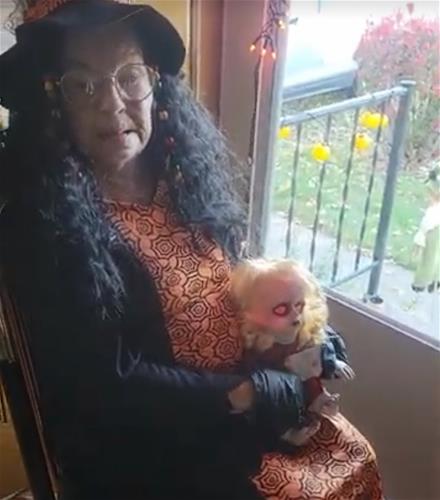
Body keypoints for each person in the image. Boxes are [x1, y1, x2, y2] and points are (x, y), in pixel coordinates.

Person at [0, 1, 383, 499]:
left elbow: (238, 287)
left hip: (245, 402)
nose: (112, 104)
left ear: (155, 82)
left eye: (128, 76)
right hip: (150, 445)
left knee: (354, 455)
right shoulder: (40, 223)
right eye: (82, 84)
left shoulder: (184, 178)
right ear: (53, 100)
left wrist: (300, 331)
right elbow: (105, 383)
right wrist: (250, 393)